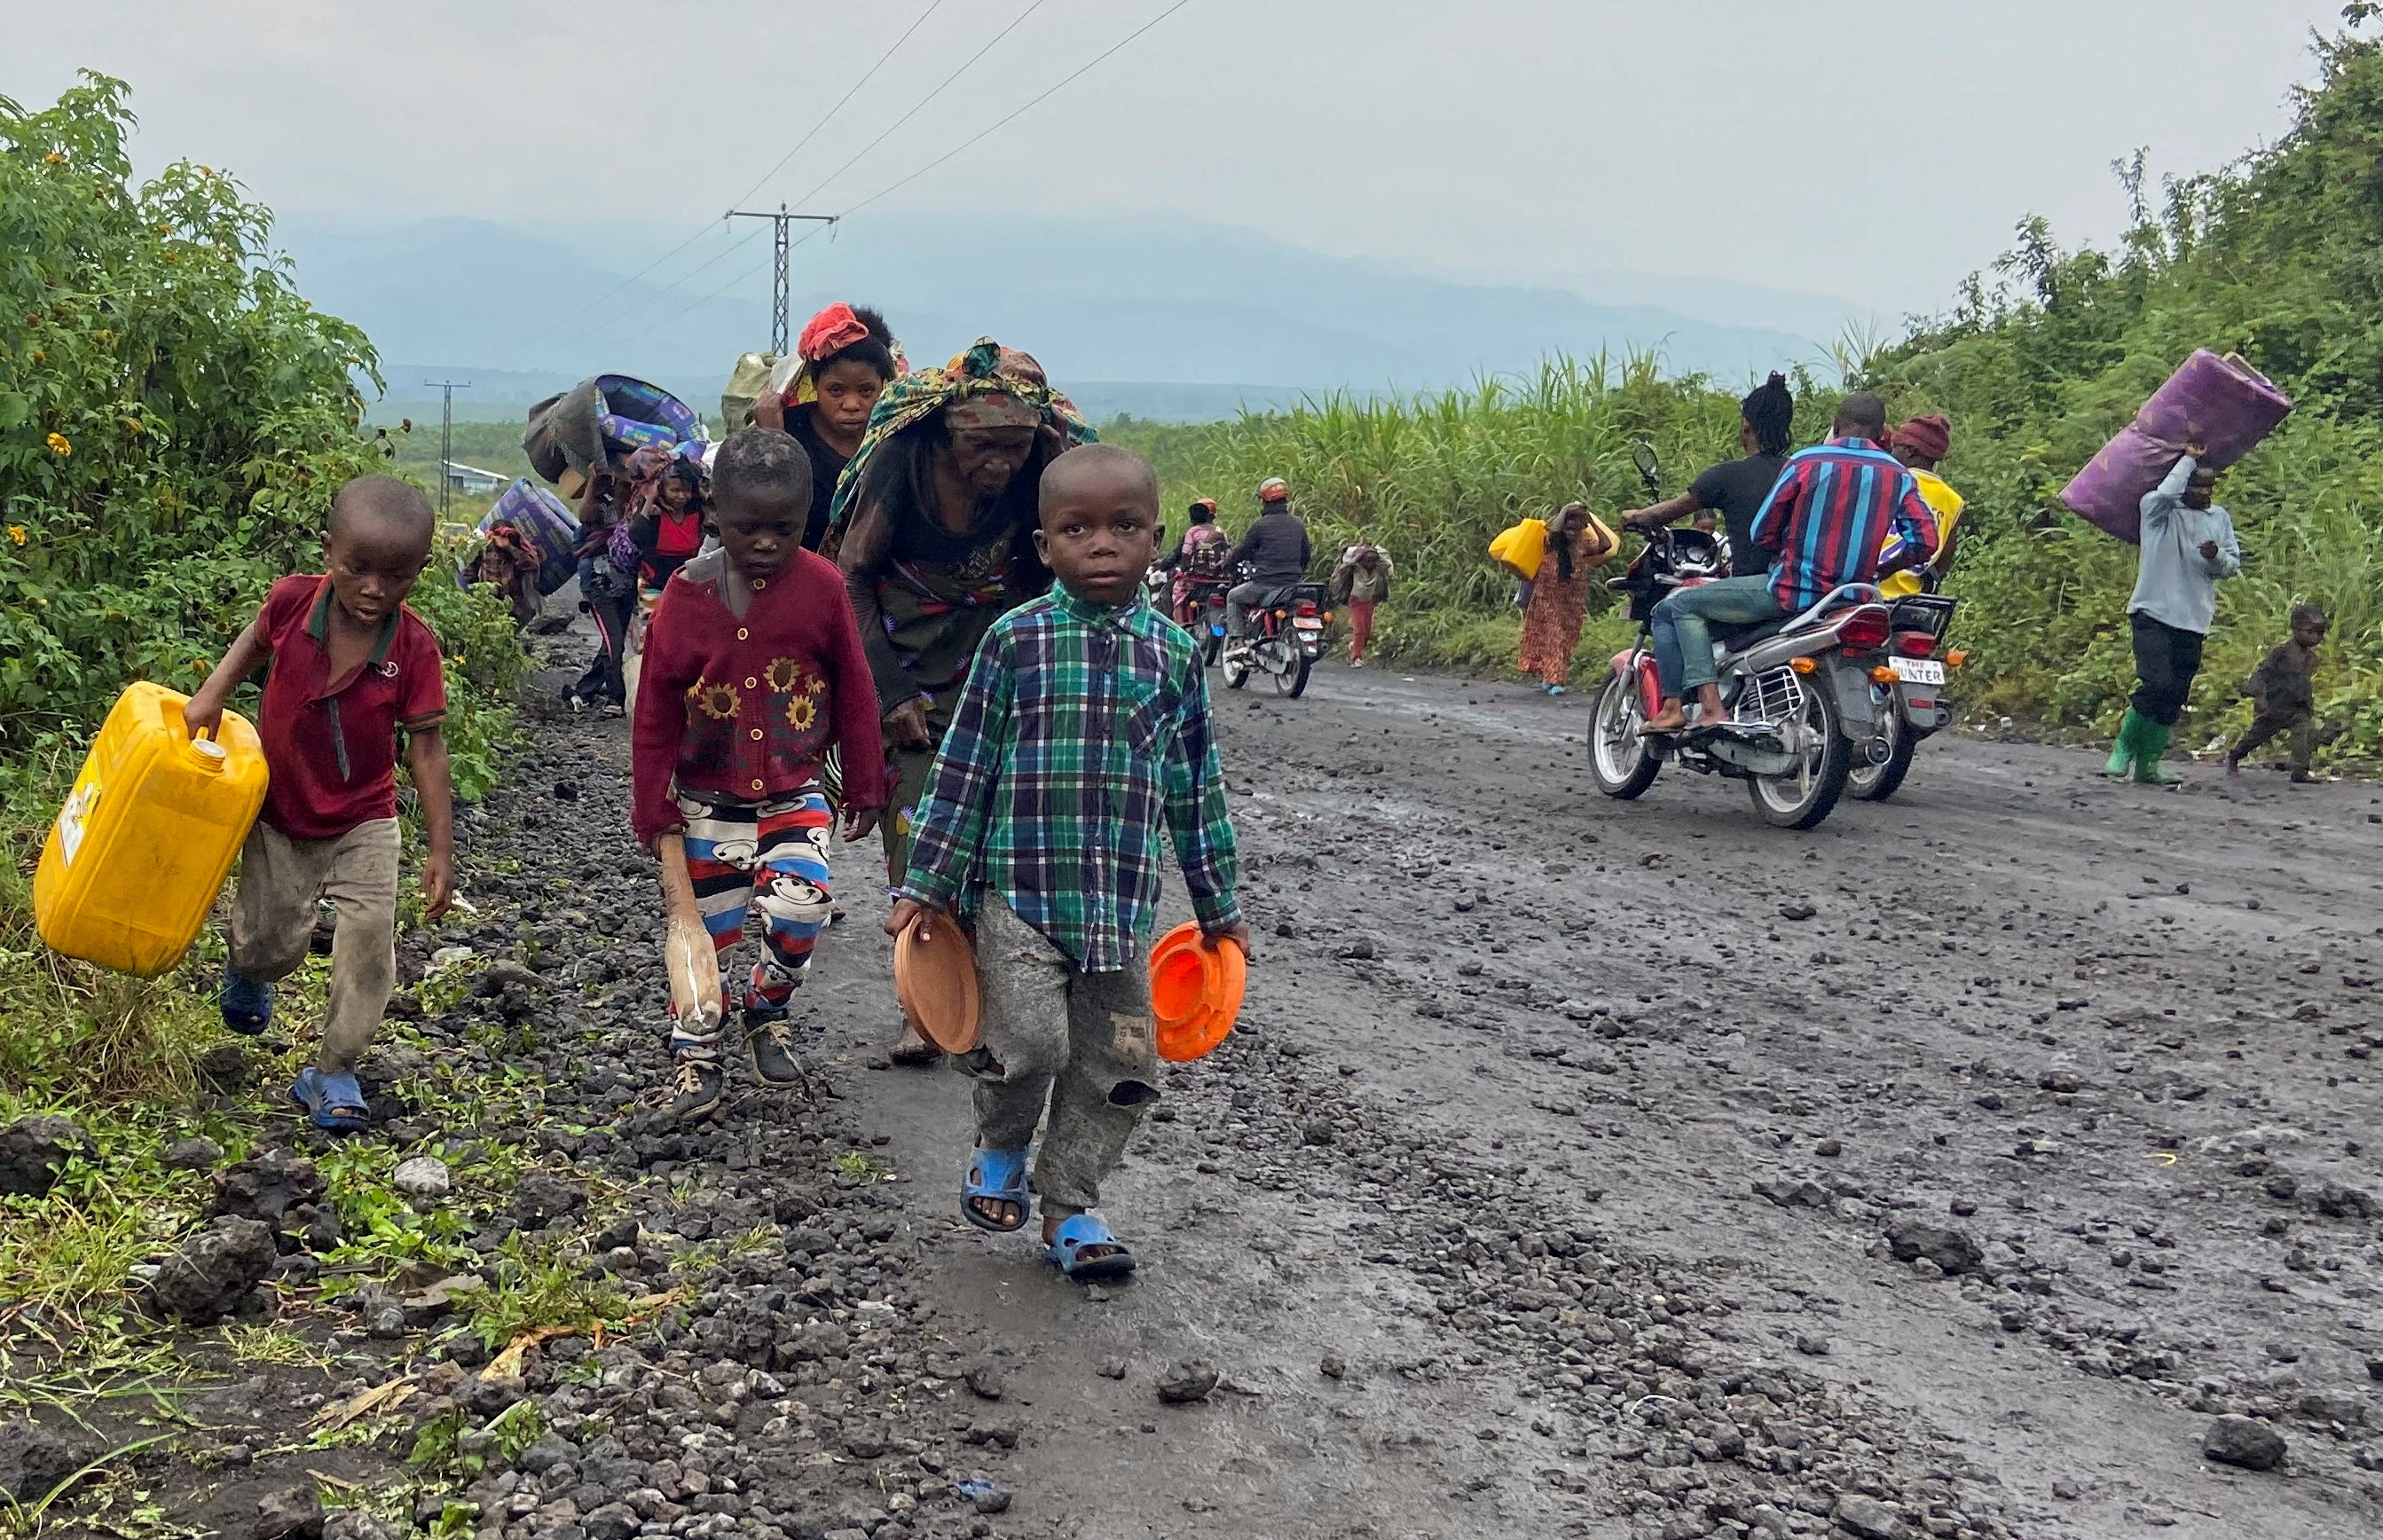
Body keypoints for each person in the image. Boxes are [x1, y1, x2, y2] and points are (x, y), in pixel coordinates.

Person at [885, 444, 1246, 1282]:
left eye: (1124, 527)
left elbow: (1197, 790)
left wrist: (1219, 908)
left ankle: (1072, 1205)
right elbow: (964, 770)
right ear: (1044, 547)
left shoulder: (1176, 658)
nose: (1102, 545)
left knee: (1121, 1064)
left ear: (1155, 540)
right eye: (1077, 529)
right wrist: (927, 888)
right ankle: (1002, 1146)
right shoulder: (1016, 642)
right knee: (1031, 1044)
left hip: (1121, 915)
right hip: (1020, 899)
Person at [823, 340, 1095, 1064]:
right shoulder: (903, 459)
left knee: (997, 838)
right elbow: (849, 576)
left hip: (993, 654)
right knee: (916, 829)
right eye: (982, 447)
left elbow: (1051, 574)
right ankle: (926, 1009)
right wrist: (890, 690)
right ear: (948, 431)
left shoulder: (1038, 463)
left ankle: (990, 1008)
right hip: (905, 650)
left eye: (1014, 446)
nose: (997, 465)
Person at [186, 475, 454, 1133]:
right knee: (269, 942)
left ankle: (334, 1068)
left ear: (421, 569)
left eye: (395, 576)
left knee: (368, 944)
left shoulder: (413, 648)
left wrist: (441, 849)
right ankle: (250, 970)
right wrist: (211, 694)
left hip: (365, 817)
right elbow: (252, 643)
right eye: (357, 568)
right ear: (328, 551)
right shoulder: (290, 603)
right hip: (280, 810)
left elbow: (427, 748)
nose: (373, 589)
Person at [633, 430, 886, 1122]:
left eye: (786, 528)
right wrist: (651, 805)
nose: (768, 542)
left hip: (794, 790)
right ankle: (696, 1059)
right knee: (705, 936)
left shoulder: (824, 587)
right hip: (705, 801)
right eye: (750, 528)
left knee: (802, 909)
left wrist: (865, 780)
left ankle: (766, 1007)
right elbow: (654, 706)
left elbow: (856, 688)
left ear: (809, 519)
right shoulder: (686, 596)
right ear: (718, 515)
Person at [1641, 392, 1937, 734]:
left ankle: (1708, 706)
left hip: (1791, 591)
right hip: (1854, 598)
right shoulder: (1898, 475)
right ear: (1881, 431)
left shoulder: (1807, 462)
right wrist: (1883, 569)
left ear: (1837, 425)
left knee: (1681, 604)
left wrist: (1783, 548)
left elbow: (1762, 529)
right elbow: (1924, 541)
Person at [2105, 442, 2241, 785]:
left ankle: (2149, 765)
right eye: (2197, 485)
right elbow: (2164, 494)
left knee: (2174, 694)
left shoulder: (2218, 518)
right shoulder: (2158, 513)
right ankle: (2123, 748)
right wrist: (2188, 460)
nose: (2205, 493)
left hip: (2194, 619)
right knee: (2156, 683)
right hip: (2152, 611)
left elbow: (2231, 566)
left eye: (2210, 486)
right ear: (2182, 484)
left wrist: (2215, 557)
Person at [752, 303, 902, 552]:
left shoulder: (895, 435)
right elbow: (764, 513)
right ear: (815, 384)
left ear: (883, 385)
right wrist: (775, 441)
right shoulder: (787, 428)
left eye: (866, 391)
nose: (851, 405)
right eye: (836, 390)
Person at [1619, 373, 1796, 577]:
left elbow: (1662, 514)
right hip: (1795, 587)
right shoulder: (1800, 472)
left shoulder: (1728, 476)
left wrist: (1632, 516)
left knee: (1673, 604)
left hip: (1751, 588)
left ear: (1746, 425)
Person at [2228, 603, 2326, 782]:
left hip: (2298, 706)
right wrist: (2255, 690)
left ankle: (2300, 771)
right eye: (2310, 631)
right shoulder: (2282, 652)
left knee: (2303, 734)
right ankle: (2235, 756)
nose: (2315, 636)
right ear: (2295, 629)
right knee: (2257, 736)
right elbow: (2263, 671)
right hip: (2275, 705)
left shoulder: (2312, 658)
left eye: (2320, 632)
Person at [568, 469, 639, 715]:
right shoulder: (601, 509)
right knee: (615, 642)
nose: (627, 489)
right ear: (611, 484)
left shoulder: (639, 509)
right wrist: (593, 478)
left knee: (612, 642)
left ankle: (585, 690)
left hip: (628, 586)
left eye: (631, 484)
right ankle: (616, 699)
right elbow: (584, 514)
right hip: (600, 587)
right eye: (622, 483)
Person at [1517, 504, 1603, 695]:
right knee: (1554, 635)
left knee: (1566, 640)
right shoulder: (1552, 542)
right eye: (1568, 528)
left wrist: (1592, 524)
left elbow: (1605, 545)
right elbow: (1554, 529)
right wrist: (1565, 511)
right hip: (1547, 598)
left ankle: (1549, 677)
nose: (1571, 533)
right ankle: (1556, 680)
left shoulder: (1582, 546)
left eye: (1575, 528)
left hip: (1571, 602)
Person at [1879, 414, 1964, 597]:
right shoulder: (1954, 501)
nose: (1892, 454)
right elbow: (1942, 564)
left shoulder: (1890, 480)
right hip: (1910, 603)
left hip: (1869, 593)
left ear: (1910, 451)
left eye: (1896, 448)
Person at [1224, 477, 1312, 640]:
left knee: (1233, 596)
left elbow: (1242, 551)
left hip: (1264, 584)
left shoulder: (1260, 525)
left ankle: (1237, 639)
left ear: (1265, 501)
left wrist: (1227, 565)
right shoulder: (1298, 524)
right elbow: (1306, 553)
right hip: (1292, 584)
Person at [1155, 496, 1233, 626]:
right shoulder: (1220, 531)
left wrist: (1179, 569)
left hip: (1196, 579)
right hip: (1219, 579)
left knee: (1170, 591)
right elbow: (1228, 551)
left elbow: (1182, 554)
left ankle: (1175, 626)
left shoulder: (1192, 532)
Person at [1329, 542, 1394, 665]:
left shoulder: (1378, 568)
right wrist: (1357, 556)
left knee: (1367, 631)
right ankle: (1356, 658)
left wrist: (1377, 553)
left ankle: (1354, 646)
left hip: (1370, 602)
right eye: (1367, 561)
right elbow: (1345, 565)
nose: (1370, 564)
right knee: (1359, 629)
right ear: (1361, 561)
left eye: (1373, 561)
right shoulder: (1356, 568)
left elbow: (1387, 564)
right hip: (1356, 601)